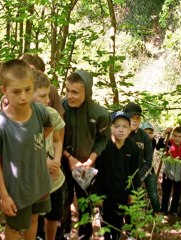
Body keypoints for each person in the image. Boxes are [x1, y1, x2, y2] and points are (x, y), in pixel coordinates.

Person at [0, 59, 53, 240]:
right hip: (16, 190)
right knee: (16, 228)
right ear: (4, 91)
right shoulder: (0, 125)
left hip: (38, 182)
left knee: (34, 220)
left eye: (28, 90)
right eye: (16, 92)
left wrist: (31, 146)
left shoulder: (39, 111)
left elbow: (48, 127)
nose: (23, 97)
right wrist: (4, 196)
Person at [61, 70, 111, 239]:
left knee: (86, 201)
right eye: (67, 90)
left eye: (75, 92)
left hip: (86, 165)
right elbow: (53, 138)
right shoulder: (60, 108)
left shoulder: (100, 114)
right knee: (63, 199)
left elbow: (103, 139)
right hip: (62, 162)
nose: (70, 96)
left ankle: (85, 233)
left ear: (87, 92)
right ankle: (63, 232)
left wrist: (90, 160)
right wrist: (68, 157)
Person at [95, 111, 140, 240]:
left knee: (121, 224)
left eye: (125, 126)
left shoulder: (133, 148)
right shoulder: (103, 146)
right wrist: (98, 195)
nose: (121, 130)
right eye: (117, 126)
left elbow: (135, 172)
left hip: (124, 193)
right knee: (107, 224)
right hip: (106, 194)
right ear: (110, 127)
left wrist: (133, 193)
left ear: (130, 128)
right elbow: (97, 172)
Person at [32, 70, 65, 240]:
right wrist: (44, 164)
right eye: (43, 95)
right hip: (34, 181)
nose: (47, 100)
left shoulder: (51, 114)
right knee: (34, 216)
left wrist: (56, 160)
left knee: (53, 215)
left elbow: (58, 139)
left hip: (55, 179)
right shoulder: (21, 121)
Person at [123, 103, 160, 214]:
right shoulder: (120, 133)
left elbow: (148, 161)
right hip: (121, 177)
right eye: (131, 117)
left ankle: (157, 216)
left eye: (137, 118)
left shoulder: (143, 136)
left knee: (137, 204)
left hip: (139, 176)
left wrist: (137, 179)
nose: (134, 120)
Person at [156, 126, 181, 215]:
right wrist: (164, 133)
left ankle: (173, 211)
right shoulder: (168, 143)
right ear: (172, 135)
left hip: (180, 174)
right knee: (166, 192)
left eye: (179, 136)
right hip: (168, 173)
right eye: (175, 136)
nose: (177, 138)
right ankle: (164, 210)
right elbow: (158, 147)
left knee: (177, 194)